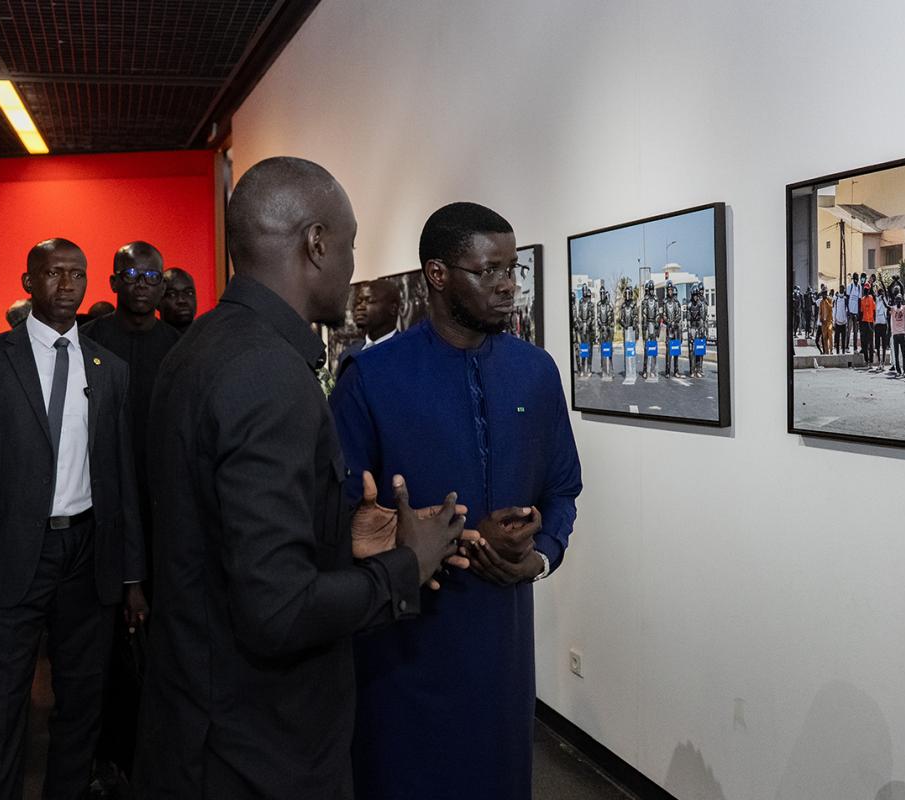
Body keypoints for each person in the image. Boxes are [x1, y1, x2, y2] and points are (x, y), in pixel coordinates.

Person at [136, 158, 466, 799]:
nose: (350, 266)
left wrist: (340, 537)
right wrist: (407, 564)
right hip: (256, 746)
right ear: (316, 244)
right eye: (350, 245)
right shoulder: (268, 374)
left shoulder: (200, 348)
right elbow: (277, 611)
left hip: (194, 722)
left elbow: (223, 534)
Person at [332, 202, 582, 800]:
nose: (506, 286)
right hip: (403, 653)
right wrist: (420, 536)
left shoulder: (536, 372)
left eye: (512, 270)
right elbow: (337, 513)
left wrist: (538, 554)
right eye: (488, 270)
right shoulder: (371, 377)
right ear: (437, 275)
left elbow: (563, 487)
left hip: (502, 655)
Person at [0, 238, 148, 800]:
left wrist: (131, 577)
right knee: (1, 711)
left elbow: (121, 476)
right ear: (29, 283)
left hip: (86, 559)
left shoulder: (109, 369)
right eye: (54, 272)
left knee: (80, 708)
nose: (68, 283)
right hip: (6, 562)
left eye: (78, 273)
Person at [79, 241, 181, 788]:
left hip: (169, 514)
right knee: (107, 646)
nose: (142, 281)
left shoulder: (181, 347)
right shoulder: (90, 344)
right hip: (105, 512)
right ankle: (108, 757)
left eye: (152, 274)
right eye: (132, 272)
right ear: (114, 282)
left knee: (166, 642)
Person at [337, 279, 400, 377]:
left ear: (393, 309)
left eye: (369, 301)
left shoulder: (408, 351)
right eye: (358, 302)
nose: (360, 307)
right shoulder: (347, 356)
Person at [889, 293, 905, 375]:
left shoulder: (904, 308)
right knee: (896, 353)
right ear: (895, 301)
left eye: (900, 299)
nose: (898, 301)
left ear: (902, 300)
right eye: (897, 299)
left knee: (904, 353)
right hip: (895, 334)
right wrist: (883, 298)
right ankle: (898, 369)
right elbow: (887, 306)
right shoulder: (893, 309)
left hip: (902, 333)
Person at [859, 284, 875, 365]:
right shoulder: (862, 300)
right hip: (864, 322)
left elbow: (874, 309)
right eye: (865, 289)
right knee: (864, 342)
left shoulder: (871, 298)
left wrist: (874, 321)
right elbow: (861, 312)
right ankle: (866, 360)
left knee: (871, 343)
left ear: (869, 290)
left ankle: (871, 361)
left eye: (867, 290)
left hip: (871, 322)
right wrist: (861, 325)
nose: (866, 291)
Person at [833, 285, 848, 354]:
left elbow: (847, 310)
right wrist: (834, 321)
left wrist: (846, 321)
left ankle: (843, 352)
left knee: (843, 338)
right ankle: (838, 352)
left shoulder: (845, 299)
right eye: (840, 288)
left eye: (843, 288)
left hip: (844, 322)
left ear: (844, 289)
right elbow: (834, 310)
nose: (841, 289)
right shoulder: (836, 298)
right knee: (837, 338)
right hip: (837, 321)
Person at [817, 286, 833, 355]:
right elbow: (820, 312)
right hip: (823, 322)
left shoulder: (829, 299)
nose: (824, 294)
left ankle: (831, 350)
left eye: (825, 293)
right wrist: (821, 319)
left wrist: (826, 301)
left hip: (829, 321)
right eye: (823, 293)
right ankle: (826, 352)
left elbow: (831, 308)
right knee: (824, 338)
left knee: (830, 335)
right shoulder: (820, 302)